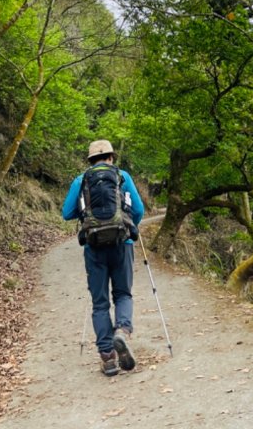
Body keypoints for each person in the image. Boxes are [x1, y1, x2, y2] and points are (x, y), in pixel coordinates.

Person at [62, 139, 145, 376]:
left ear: (90, 160)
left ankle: (108, 358)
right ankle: (122, 331)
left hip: (94, 247)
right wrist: (129, 226)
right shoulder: (123, 177)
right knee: (123, 294)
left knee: (100, 302)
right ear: (111, 157)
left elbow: (67, 213)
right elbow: (138, 210)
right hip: (122, 243)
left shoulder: (81, 180)